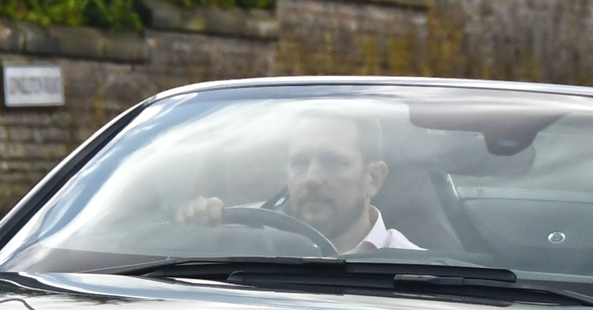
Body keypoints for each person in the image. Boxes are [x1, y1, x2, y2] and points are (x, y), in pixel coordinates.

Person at [178, 106, 419, 253]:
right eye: (300, 163)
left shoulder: (421, 275)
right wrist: (196, 233)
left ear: (373, 179)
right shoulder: (248, 250)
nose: (312, 178)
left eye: (333, 162)